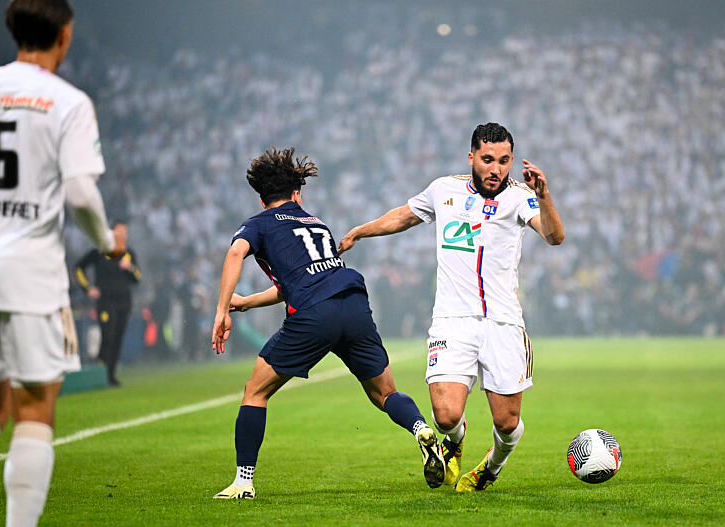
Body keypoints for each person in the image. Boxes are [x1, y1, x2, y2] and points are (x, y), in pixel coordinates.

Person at [0, 1, 118, 527]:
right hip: (28, 274)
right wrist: (108, 243)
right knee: (35, 408)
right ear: (64, 37)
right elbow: (83, 195)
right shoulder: (68, 102)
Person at [339, 122, 564, 492]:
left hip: (503, 321)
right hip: (451, 320)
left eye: (504, 161)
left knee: (507, 423)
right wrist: (359, 231)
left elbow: (555, 236)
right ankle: (454, 443)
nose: (496, 169)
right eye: (488, 159)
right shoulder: (444, 190)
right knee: (445, 417)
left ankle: (491, 468)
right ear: (472, 156)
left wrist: (545, 197)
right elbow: (403, 215)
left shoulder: (522, 196)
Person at [210, 147, 445, 500]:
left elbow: (234, 254)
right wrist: (245, 304)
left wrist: (221, 310)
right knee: (385, 393)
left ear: (262, 201)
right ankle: (421, 428)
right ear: (296, 194)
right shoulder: (316, 223)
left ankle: (244, 482)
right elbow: (298, 282)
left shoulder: (258, 225)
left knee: (255, 393)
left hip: (314, 314)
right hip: (352, 303)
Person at [75, 221, 141, 386]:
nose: (123, 235)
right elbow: (79, 268)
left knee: (118, 338)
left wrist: (130, 268)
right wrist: (87, 288)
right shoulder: (99, 251)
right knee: (107, 337)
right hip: (106, 301)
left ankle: (111, 375)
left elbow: (138, 278)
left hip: (124, 302)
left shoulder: (128, 253)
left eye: (125, 232)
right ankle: (101, 375)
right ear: (112, 233)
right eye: (120, 231)